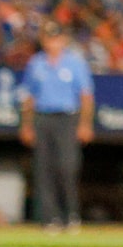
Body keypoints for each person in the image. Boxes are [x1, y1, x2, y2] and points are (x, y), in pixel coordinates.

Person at [18, 22, 94, 232]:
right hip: (43, 118)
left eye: (56, 37)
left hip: (67, 118)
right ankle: (50, 218)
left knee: (67, 167)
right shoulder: (37, 63)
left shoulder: (74, 63)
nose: (52, 42)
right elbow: (29, 97)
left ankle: (71, 215)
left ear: (63, 39)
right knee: (44, 169)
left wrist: (85, 124)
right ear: (43, 40)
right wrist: (27, 125)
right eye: (48, 38)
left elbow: (86, 96)